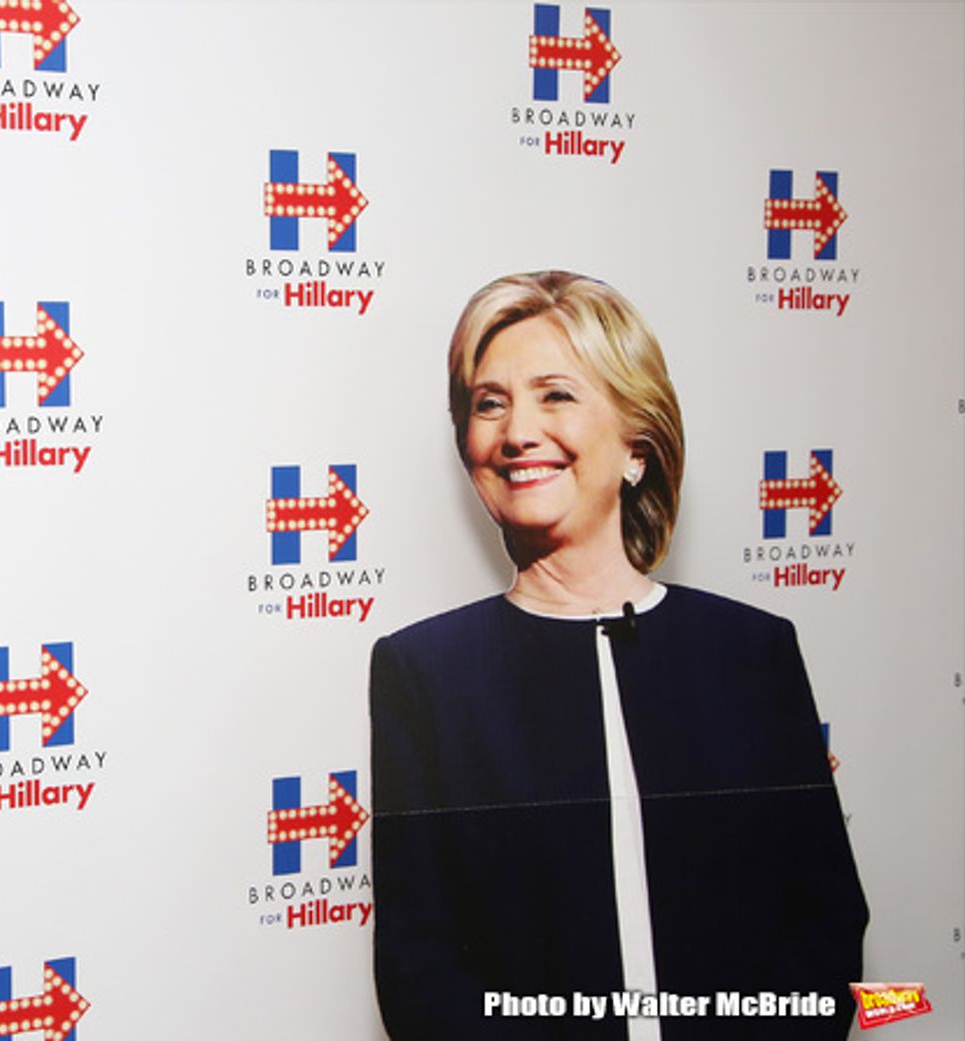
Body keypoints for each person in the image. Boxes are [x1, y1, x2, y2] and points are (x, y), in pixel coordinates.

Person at [370, 271, 867, 1040]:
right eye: (489, 403)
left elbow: (824, 927)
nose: (517, 431)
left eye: (555, 395)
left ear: (637, 444)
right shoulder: (424, 675)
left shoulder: (752, 653)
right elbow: (419, 971)